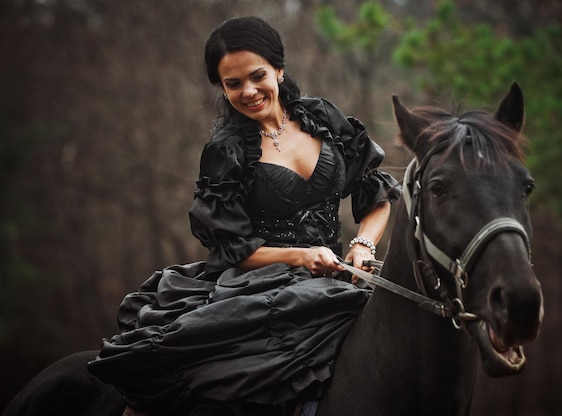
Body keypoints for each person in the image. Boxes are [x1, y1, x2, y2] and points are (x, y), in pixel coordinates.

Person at [87, 16, 401, 416]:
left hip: (338, 276)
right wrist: (300, 256)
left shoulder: (323, 119)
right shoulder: (227, 151)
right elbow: (231, 250)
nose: (249, 92)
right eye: (233, 84)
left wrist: (362, 244)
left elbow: (376, 193)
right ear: (222, 87)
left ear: (279, 70)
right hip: (257, 286)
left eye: (258, 76)